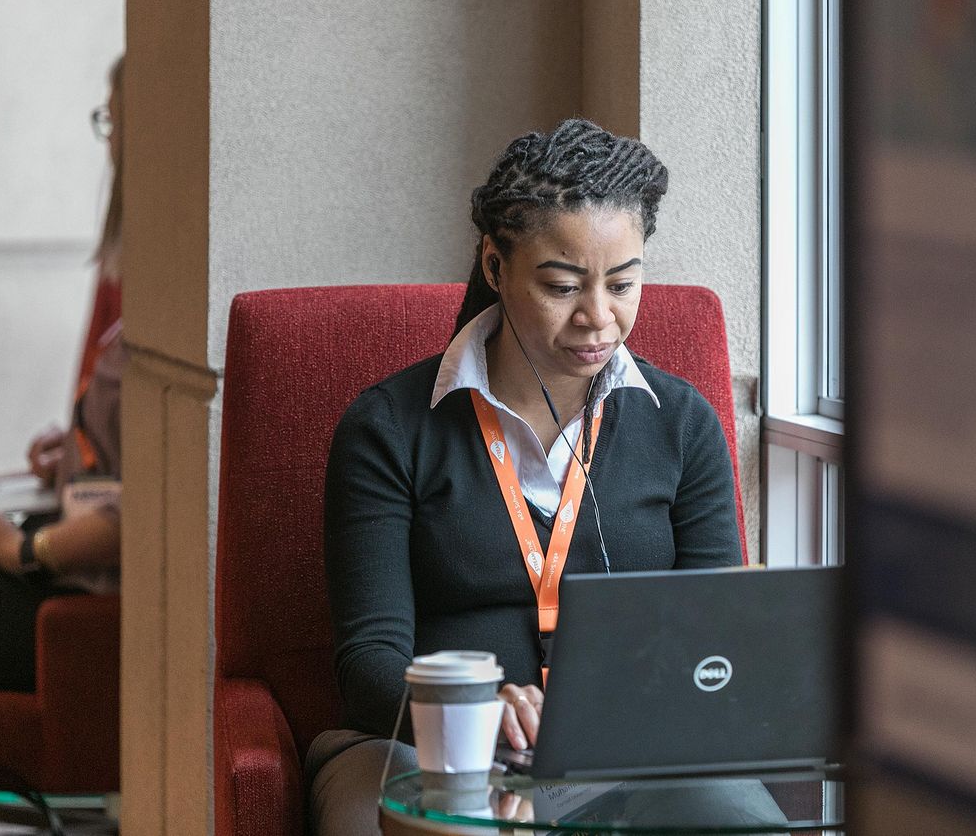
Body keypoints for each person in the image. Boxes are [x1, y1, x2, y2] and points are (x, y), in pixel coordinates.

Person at [307, 119, 745, 834]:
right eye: (563, 284)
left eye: (624, 284)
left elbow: (718, 641)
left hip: (629, 753)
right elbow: (368, 662)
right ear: (493, 265)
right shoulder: (389, 428)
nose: (598, 319)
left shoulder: (681, 424)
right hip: (426, 746)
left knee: (731, 815)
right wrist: (476, 710)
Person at [0, 57, 125, 693]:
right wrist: (77, 457)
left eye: (115, 122)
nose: (111, 143)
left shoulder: (162, 317)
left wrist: (17, 550)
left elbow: (150, 504)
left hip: (88, 598)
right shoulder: (134, 296)